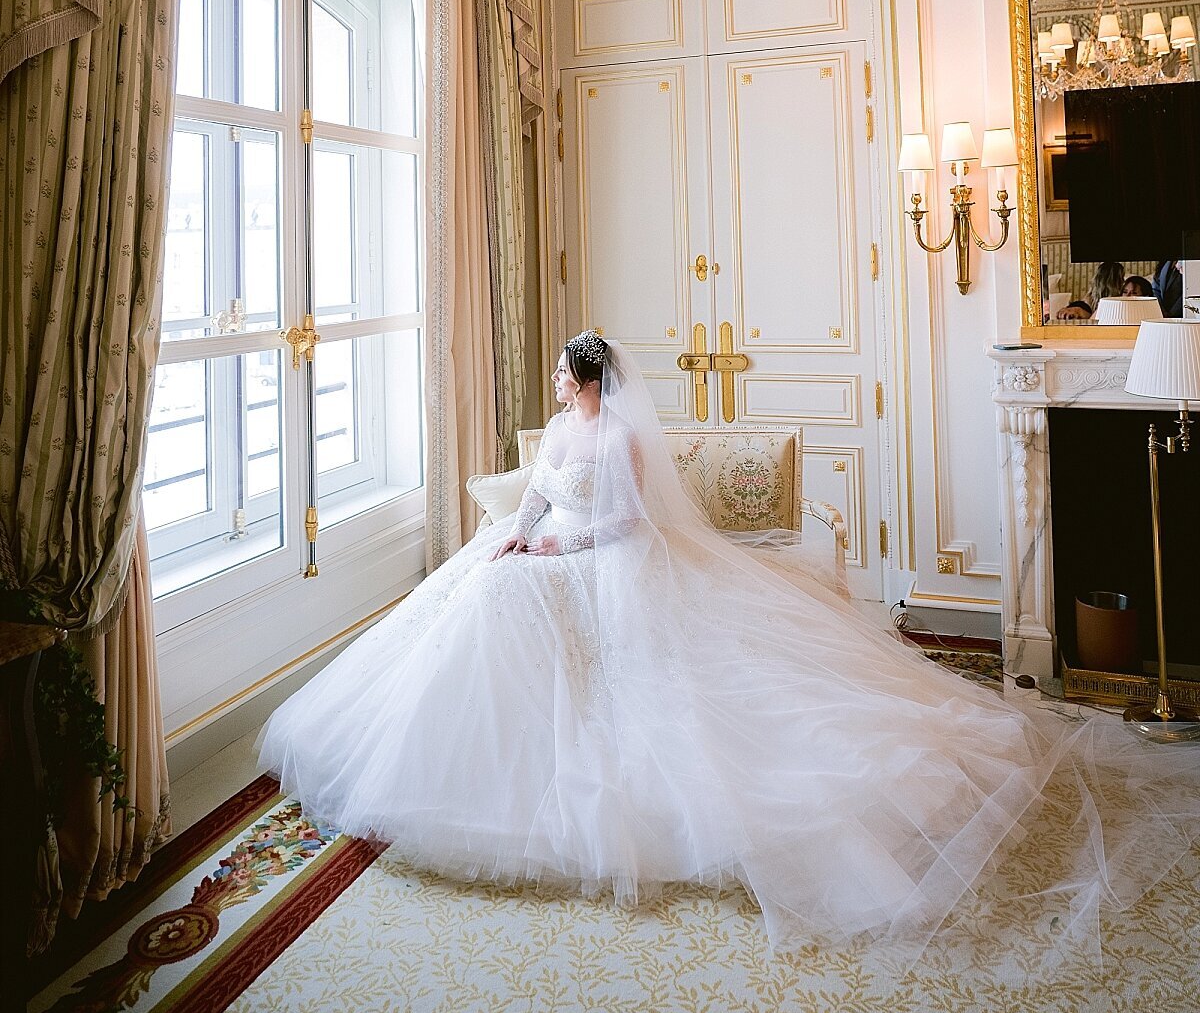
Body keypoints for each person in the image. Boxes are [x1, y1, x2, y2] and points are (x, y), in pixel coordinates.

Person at [259, 332, 1197, 964]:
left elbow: (621, 528)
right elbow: (540, 492)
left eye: (560, 375)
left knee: (525, 601)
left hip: (601, 567)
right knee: (480, 586)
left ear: (589, 381)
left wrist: (555, 544)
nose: (551, 386)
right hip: (544, 554)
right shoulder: (557, 429)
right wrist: (519, 530)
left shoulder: (621, 441)